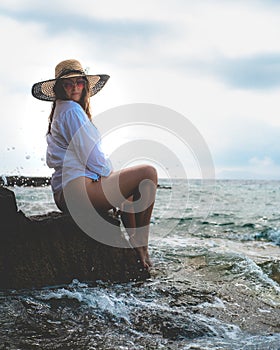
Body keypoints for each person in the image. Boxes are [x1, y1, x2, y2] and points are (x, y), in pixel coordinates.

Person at [32, 59, 157, 269]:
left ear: (85, 85)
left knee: (130, 191)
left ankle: (136, 248)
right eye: (68, 83)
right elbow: (92, 157)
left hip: (66, 194)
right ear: (60, 88)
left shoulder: (61, 111)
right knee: (148, 173)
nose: (74, 88)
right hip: (77, 193)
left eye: (79, 82)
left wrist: (113, 182)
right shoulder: (71, 110)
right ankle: (141, 246)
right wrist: (111, 175)